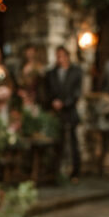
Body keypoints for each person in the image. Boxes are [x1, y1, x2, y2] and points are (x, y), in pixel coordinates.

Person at [43, 45, 83, 179]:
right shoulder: (51, 73)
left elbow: (77, 92)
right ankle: (56, 172)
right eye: (57, 56)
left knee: (73, 142)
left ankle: (75, 172)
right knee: (57, 142)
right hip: (56, 113)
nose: (59, 59)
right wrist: (53, 102)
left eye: (61, 56)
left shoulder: (76, 72)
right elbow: (47, 91)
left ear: (67, 57)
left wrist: (65, 103)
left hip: (70, 111)